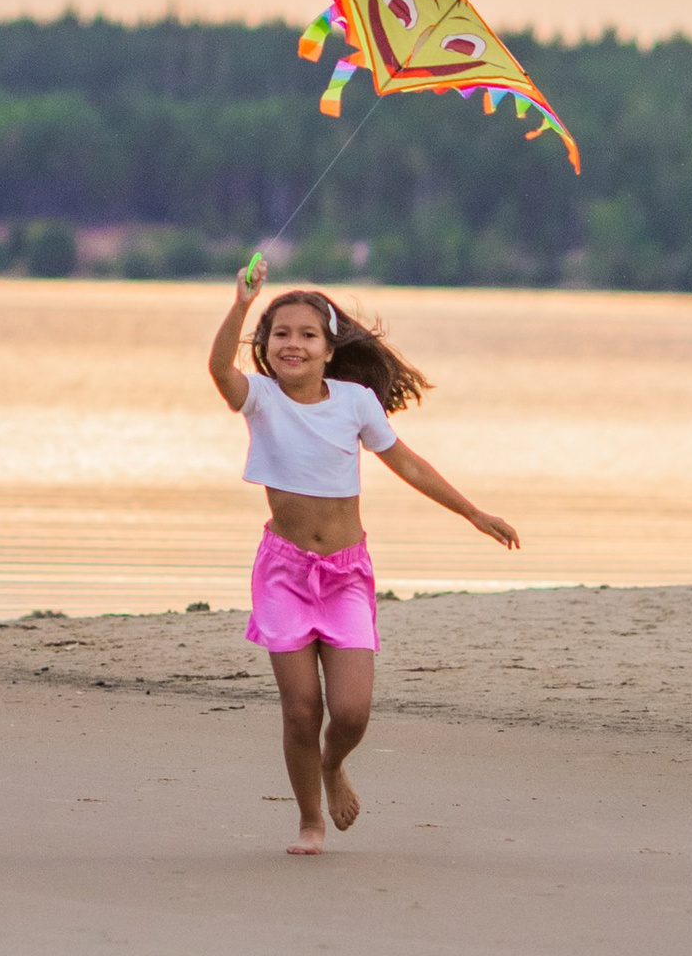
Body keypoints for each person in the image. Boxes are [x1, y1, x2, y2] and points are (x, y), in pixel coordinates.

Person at [206, 270, 517, 855]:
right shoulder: (262, 400)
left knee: (349, 713)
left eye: (306, 335)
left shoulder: (354, 402)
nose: (292, 344)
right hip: (284, 572)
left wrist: (474, 514)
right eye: (279, 335)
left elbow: (409, 464)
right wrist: (241, 305)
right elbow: (220, 372)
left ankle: (333, 764)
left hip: (346, 574)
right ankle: (310, 821)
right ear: (266, 347)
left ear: (328, 349)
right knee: (301, 709)